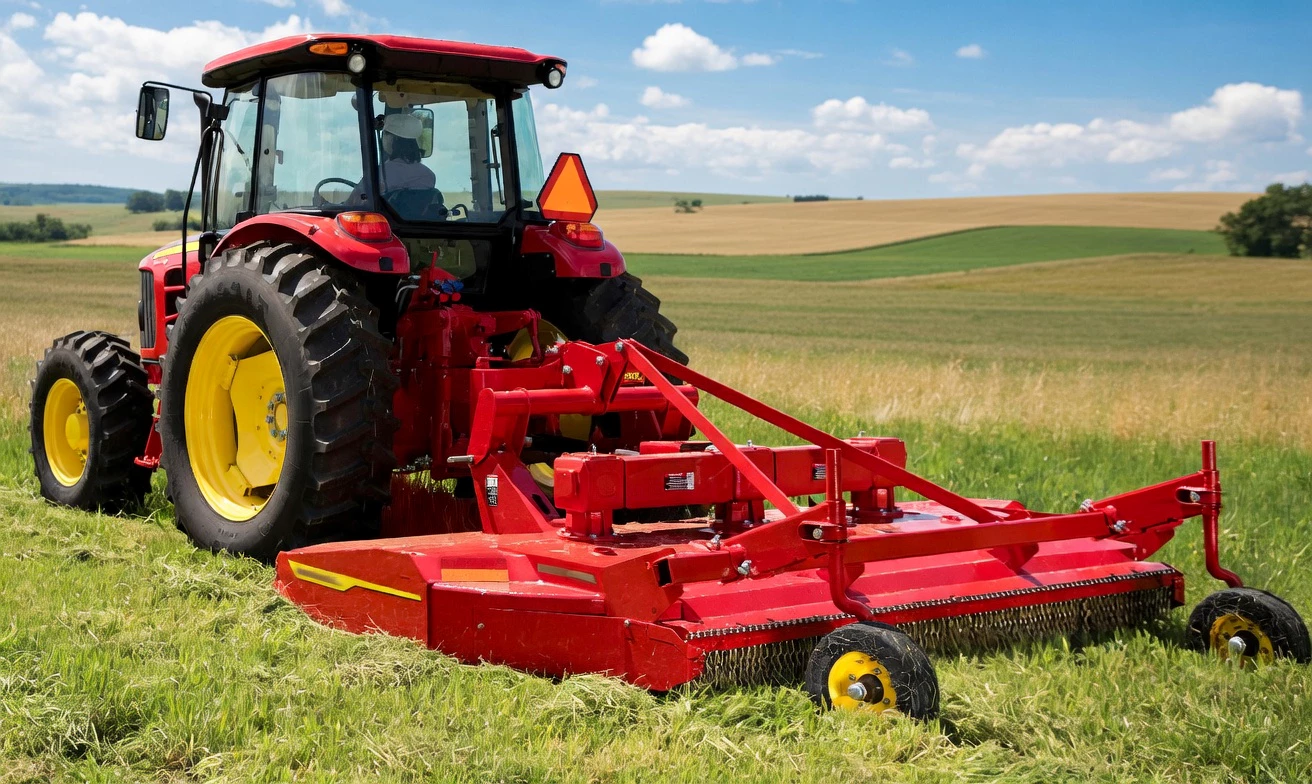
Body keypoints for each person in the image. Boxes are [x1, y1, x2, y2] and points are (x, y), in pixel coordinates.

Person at [378, 113, 435, 193]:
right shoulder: (428, 175)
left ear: (392, 138)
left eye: (384, 134)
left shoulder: (380, 173)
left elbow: (356, 200)